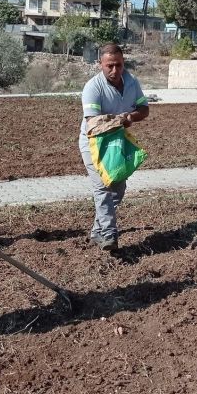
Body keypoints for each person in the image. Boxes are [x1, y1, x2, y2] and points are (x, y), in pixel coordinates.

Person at [79, 43, 149, 251]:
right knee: (102, 186)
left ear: (123, 62)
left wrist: (130, 117)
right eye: (109, 65)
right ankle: (109, 234)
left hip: (117, 141)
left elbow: (144, 109)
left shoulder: (132, 82)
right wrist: (120, 120)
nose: (115, 70)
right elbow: (93, 122)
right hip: (94, 143)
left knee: (118, 188)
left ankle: (97, 232)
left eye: (118, 65)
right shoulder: (93, 87)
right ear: (100, 64)